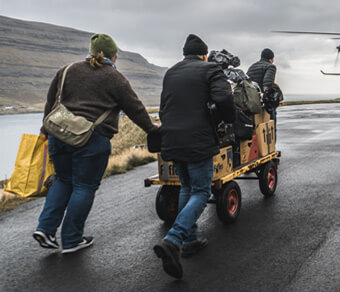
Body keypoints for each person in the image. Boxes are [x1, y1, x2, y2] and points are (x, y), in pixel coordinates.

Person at [34, 34, 157, 254]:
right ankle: (72, 240)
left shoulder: (67, 70)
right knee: (84, 186)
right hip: (91, 139)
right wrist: (152, 130)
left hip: (58, 135)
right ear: (114, 55)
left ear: (91, 52)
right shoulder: (114, 77)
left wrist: (45, 129)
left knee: (63, 180)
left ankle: (45, 229)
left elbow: (51, 103)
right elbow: (135, 108)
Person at [153, 34, 235, 279]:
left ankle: (190, 240)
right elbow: (224, 98)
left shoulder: (171, 72)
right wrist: (228, 119)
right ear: (203, 54)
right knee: (201, 191)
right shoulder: (211, 69)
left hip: (171, 138)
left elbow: (164, 106)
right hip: (197, 138)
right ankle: (174, 239)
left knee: (187, 187)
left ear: (185, 54)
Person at [247, 48, 278, 123]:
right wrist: (270, 103)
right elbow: (267, 84)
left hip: (250, 102)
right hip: (262, 102)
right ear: (271, 59)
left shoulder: (252, 66)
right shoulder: (270, 66)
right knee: (270, 125)